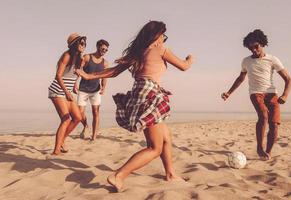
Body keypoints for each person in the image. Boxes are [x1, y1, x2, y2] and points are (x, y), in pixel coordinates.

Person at [76, 21, 194, 192]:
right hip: (150, 94)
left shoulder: (138, 52)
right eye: (163, 36)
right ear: (157, 35)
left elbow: (114, 72)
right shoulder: (160, 49)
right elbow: (184, 66)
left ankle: (170, 174)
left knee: (166, 137)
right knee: (154, 147)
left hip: (140, 93)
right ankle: (119, 175)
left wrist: (88, 75)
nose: (164, 39)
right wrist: (190, 58)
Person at [221, 29, 291, 160]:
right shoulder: (246, 61)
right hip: (255, 93)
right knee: (263, 116)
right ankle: (259, 147)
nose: (253, 50)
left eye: (256, 46)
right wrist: (229, 93)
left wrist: (285, 95)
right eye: (250, 48)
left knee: (274, 125)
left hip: (272, 94)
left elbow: (288, 79)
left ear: (262, 43)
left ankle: (268, 152)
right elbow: (241, 78)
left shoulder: (272, 59)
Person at [48, 33, 86, 155]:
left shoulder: (80, 58)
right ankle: (56, 151)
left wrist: (74, 85)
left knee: (78, 118)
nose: (83, 45)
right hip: (57, 90)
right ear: (74, 44)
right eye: (81, 43)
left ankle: (62, 140)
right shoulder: (66, 56)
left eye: (84, 43)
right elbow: (58, 76)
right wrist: (66, 92)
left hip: (67, 91)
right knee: (66, 119)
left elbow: (74, 74)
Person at [75, 39, 109, 140]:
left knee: (96, 112)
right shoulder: (87, 57)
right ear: (98, 46)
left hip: (96, 90)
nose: (104, 51)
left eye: (106, 50)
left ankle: (93, 137)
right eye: (103, 49)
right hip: (83, 89)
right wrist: (75, 83)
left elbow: (105, 76)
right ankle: (85, 125)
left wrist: (104, 87)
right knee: (80, 113)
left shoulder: (105, 63)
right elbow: (78, 70)